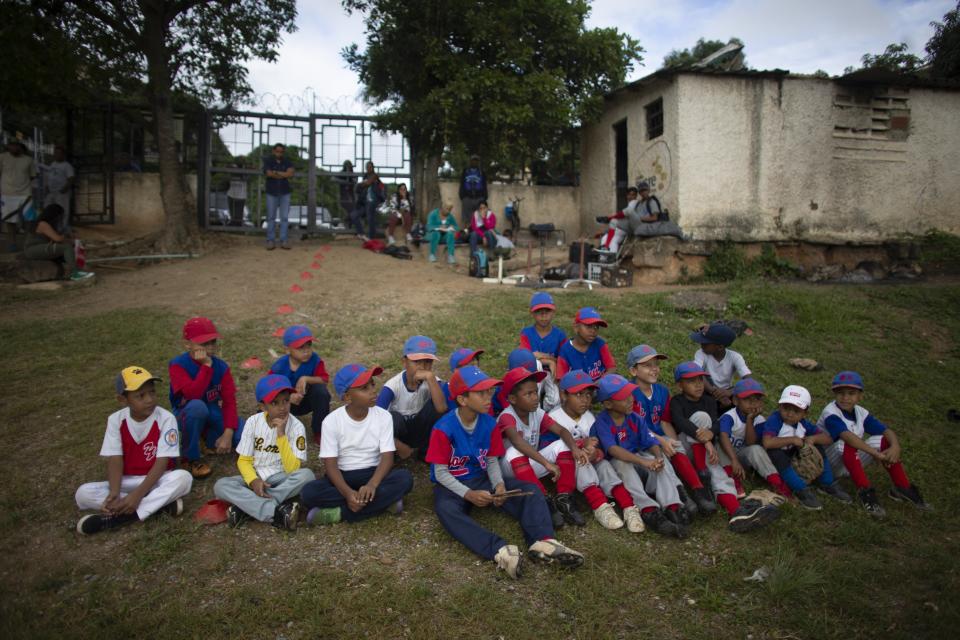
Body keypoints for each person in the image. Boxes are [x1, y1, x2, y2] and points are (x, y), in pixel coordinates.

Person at [426, 365, 584, 579]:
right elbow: (441, 473)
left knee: (530, 491)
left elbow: (491, 461)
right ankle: (500, 550)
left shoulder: (489, 423)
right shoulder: (443, 428)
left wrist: (499, 485)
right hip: (451, 484)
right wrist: (468, 495)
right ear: (463, 400)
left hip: (481, 479)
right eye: (481, 393)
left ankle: (542, 541)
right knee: (445, 509)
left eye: (489, 391)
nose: (488, 397)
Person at [75, 366, 192, 534]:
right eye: (140, 396)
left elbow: (162, 461)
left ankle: (123, 516)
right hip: (128, 481)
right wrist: (115, 493)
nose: (149, 399)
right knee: (83, 493)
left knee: (183, 478)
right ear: (123, 400)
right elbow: (115, 458)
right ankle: (158, 507)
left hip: (158, 478)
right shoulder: (116, 420)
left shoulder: (166, 418)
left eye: (152, 392)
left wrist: (137, 496)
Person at [301, 364, 414, 525]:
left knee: (405, 479)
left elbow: (387, 458)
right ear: (347, 397)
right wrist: (347, 494)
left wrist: (372, 485)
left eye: (372, 384)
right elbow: (331, 465)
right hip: (343, 475)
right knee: (308, 493)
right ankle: (384, 503)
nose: (373, 390)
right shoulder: (331, 422)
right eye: (364, 388)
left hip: (373, 473)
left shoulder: (384, 416)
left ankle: (339, 513)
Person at [817, 371, 930, 515]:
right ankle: (866, 494)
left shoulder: (861, 412)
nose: (845, 397)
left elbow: (885, 431)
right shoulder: (831, 413)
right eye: (840, 393)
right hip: (825, 463)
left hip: (847, 461)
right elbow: (847, 437)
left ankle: (902, 487)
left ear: (860, 396)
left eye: (851, 393)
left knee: (883, 440)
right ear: (834, 394)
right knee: (848, 442)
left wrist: (895, 446)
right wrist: (875, 454)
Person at [591, 373, 688, 538]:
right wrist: (643, 462)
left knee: (658, 462)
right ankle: (649, 510)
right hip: (617, 465)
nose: (630, 400)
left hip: (637, 459)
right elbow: (614, 450)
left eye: (630, 395)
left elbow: (650, 441)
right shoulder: (602, 422)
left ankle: (673, 506)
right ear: (608, 403)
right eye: (623, 398)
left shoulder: (635, 418)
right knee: (623, 464)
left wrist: (657, 457)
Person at [214, 374, 314, 530]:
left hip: (282, 477)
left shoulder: (297, 426)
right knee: (221, 485)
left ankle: (248, 507)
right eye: (274, 403)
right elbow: (244, 460)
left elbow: (293, 468)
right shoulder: (253, 422)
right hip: (256, 476)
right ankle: (275, 511)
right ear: (263, 406)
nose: (282, 407)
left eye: (286, 401)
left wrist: (281, 435)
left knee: (307, 476)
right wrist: (253, 481)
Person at [546, 370, 643, 532]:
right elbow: (551, 449)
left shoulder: (591, 418)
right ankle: (600, 506)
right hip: (566, 467)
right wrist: (582, 448)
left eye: (589, 395)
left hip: (592, 462)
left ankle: (628, 507)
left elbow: (601, 448)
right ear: (563, 395)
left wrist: (596, 453)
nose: (584, 400)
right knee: (581, 460)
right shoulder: (553, 417)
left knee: (604, 465)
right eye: (578, 394)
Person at [627, 345, 715, 516]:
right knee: (661, 456)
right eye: (647, 365)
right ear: (633, 371)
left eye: (655, 364)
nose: (653, 369)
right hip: (641, 443)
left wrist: (673, 444)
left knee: (674, 446)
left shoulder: (661, 390)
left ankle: (698, 490)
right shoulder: (629, 392)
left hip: (660, 436)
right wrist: (661, 441)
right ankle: (681, 496)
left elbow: (665, 421)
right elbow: (637, 428)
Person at [496, 366, 590, 529]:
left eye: (535, 392)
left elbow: (561, 430)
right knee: (515, 450)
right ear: (512, 398)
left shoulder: (537, 412)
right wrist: (546, 463)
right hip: (507, 470)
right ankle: (544, 501)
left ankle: (564, 499)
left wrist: (574, 448)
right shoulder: (506, 416)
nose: (535, 398)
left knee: (563, 444)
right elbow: (518, 442)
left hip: (528, 465)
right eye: (528, 394)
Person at [168, 316, 241, 479]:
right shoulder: (178, 365)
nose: (209, 348)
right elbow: (193, 394)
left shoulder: (221, 367)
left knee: (241, 437)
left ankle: (206, 438)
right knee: (197, 407)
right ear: (187, 344)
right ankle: (190, 458)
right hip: (186, 412)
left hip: (211, 409)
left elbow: (229, 401)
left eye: (212, 342)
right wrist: (206, 366)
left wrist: (228, 433)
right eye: (203, 344)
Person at [760, 385, 852, 511]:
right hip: (774, 461)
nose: (790, 414)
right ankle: (800, 489)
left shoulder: (802, 423)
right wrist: (792, 439)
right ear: (779, 406)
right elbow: (767, 443)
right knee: (776, 453)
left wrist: (812, 439)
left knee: (817, 445)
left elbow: (828, 438)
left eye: (796, 411)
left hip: (794, 457)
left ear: (805, 413)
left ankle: (827, 483)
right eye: (786, 408)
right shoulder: (775, 419)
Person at [717, 378, 792, 498]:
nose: (753, 403)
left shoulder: (759, 419)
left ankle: (778, 484)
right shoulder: (729, 416)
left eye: (757, 399)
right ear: (735, 400)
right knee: (719, 444)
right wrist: (734, 460)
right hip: (724, 455)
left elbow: (750, 442)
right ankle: (733, 479)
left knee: (756, 449)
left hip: (741, 455)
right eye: (747, 399)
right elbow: (723, 436)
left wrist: (750, 420)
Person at [376, 335, 448, 459]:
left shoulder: (432, 381)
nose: (422, 367)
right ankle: (393, 452)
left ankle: (425, 451)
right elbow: (373, 420)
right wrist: (397, 444)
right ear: (404, 362)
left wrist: (430, 379)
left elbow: (441, 409)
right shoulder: (392, 386)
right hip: (399, 434)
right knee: (393, 418)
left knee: (436, 403)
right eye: (416, 361)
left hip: (420, 430)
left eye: (428, 362)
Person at [268, 325, 331, 445]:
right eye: (300, 347)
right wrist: (286, 399)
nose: (306, 351)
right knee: (264, 408)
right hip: (284, 404)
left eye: (309, 345)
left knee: (321, 392)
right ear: (287, 350)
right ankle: (272, 430)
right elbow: (268, 390)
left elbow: (324, 380)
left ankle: (319, 431)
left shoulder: (315, 360)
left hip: (306, 401)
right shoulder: (279, 367)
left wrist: (307, 378)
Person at [23, 204, 94, 280]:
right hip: (32, 250)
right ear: (54, 215)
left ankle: (73, 271)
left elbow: (57, 239)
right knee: (66, 248)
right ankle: (75, 273)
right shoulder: (42, 224)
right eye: (60, 216)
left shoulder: (47, 224)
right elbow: (58, 239)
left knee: (67, 248)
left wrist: (73, 241)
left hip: (39, 248)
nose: (61, 218)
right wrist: (67, 237)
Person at [691, 322, 752, 410]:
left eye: (705, 343)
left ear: (719, 347)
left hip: (727, 392)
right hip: (707, 389)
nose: (701, 344)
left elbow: (748, 380)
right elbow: (696, 371)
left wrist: (730, 392)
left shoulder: (735, 357)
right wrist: (714, 392)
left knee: (743, 396)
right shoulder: (701, 353)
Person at [555, 307, 616, 380]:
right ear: (576, 327)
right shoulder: (565, 350)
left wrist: (599, 383)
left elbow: (611, 368)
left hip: (601, 387)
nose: (593, 330)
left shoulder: (600, 344)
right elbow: (561, 379)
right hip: (578, 390)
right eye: (589, 326)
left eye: (596, 327)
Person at [518, 292, 567, 374]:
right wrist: (549, 361)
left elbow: (563, 361)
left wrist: (541, 355)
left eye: (547, 311)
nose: (543, 315)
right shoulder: (526, 333)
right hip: (531, 374)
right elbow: (525, 359)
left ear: (553, 311)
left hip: (553, 374)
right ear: (532, 313)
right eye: (539, 311)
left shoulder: (560, 335)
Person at [0, 140, 36, 250]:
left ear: (20, 147)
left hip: (25, 194)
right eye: (11, 145)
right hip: (7, 194)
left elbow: (32, 176)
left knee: (29, 219)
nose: (13, 147)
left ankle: (28, 243)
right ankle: (12, 243)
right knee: (10, 221)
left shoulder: (29, 160)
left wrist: (22, 184)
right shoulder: (2, 157)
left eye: (15, 145)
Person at [263, 143, 294, 250]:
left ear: (283, 152)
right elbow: (268, 174)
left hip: (285, 192)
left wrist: (276, 172)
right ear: (273, 151)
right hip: (271, 192)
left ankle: (283, 240)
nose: (279, 153)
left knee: (284, 218)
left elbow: (290, 174)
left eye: (281, 151)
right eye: (277, 151)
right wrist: (282, 174)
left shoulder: (287, 161)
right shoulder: (268, 161)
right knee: (271, 217)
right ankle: (270, 240)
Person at [595, 186, 637, 252]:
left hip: (625, 229)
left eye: (633, 195)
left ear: (636, 196)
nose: (631, 197)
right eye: (629, 195)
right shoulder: (629, 204)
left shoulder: (634, 202)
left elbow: (624, 214)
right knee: (604, 238)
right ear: (627, 196)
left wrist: (610, 217)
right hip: (620, 229)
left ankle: (611, 257)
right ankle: (603, 259)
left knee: (613, 240)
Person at [42, 145, 75, 230]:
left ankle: (62, 228)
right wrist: (47, 186)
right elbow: (49, 176)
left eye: (59, 153)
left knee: (63, 210)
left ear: (63, 155)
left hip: (61, 193)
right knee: (48, 208)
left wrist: (65, 189)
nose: (56, 155)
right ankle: (49, 227)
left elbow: (71, 178)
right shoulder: (53, 164)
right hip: (51, 192)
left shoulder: (67, 166)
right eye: (55, 153)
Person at [352, 160, 385, 242]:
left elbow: (368, 183)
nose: (368, 168)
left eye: (370, 167)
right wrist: (362, 184)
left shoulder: (375, 176)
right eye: (367, 167)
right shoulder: (365, 176)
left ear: (373, 168)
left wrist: (363, 184)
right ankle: (362, 234)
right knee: (354, 215)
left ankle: (371, 238)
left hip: (372, 201)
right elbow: (357, 188)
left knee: (370, 218)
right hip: (364, 202)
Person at [458, 154, 487, 230]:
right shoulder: (465, 171)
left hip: (479, 197)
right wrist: (462, 196)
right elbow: (462, 183)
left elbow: (484, 184)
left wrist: (484, 197)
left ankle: (478, 232)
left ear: (478, 162)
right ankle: (466, 233)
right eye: (473, 160)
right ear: (470, 161)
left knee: (479, 217)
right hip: (467, 197)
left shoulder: (481, 172)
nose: (474, 162)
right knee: (467, 218)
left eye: (476, 160)